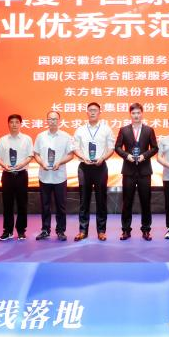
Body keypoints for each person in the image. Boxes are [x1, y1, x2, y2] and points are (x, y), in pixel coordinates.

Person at [115, 103, 159, 241]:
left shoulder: (149, 130)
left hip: (144, 171)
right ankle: (126, 230)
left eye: (138, 113)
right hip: (128, 171)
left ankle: (146, 230)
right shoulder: (124, 130)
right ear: (130, 114)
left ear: (142, 114)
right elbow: (117, 147)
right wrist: (126, 155)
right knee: (127, 202)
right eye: (133, 113)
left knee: (145, 202)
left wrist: (144, 156)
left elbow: (155, 148)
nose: (136, 115)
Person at [72, 102, 115, 241]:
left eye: (95, 110)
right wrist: (83, 157)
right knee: (84, 201)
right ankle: (82, 231)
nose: (92, 112)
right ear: (87, 112)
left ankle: (101, 231)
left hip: (100, 167)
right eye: (90, 110)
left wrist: (102, 158)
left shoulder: (106, 129)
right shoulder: (80, 130)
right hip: (84, 167)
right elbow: (75, 148)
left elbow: (111, 148)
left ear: (99, 112)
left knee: (101, 200)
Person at [33, 111, 73, 242]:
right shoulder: (40, 136)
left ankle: (60, 231)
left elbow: (71, 155)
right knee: (45, 205)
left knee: (61, 206)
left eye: (55, 119)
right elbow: (36, 154)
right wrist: (41, 163)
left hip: (59, 176)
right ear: (47, 120)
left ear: (59, 120)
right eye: (50, 119)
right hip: (44, 176)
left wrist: (60, 162)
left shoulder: (66, 136)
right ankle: (45, 230)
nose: (52, 121)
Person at [0, 114, 33, 241]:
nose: (14, 124)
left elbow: (30, 156)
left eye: (17, 122)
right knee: (7, 204)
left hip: (21, 174)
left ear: (21, 124)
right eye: (12, 122)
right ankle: (8, 231)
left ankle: (21, 230)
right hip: (7, 175)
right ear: (8, 124)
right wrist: (3, 165)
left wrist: (22, 164)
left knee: (22, 204)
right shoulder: (3, 140)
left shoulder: (27, 139)